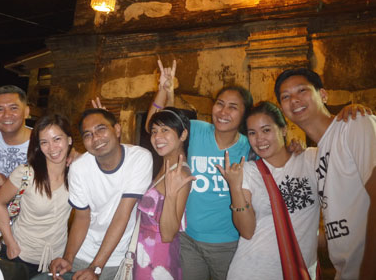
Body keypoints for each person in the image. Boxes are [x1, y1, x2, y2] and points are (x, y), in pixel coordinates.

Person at [147, 60, 253, 280]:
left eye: (233, 107)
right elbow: (157, 126)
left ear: (245, 114)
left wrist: (295, 149)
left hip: (229, 245)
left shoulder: (250, 147)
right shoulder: (196, 130)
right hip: (188, 241)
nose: (223, 111)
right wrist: (163, 92)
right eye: (220, 103)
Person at [274, 68, 376, 280]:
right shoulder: (315, 155)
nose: (294, 99)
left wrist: (368, 270)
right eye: (285, 96)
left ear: (323, 95)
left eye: (302, 90)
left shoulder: (355, 124)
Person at [44, 108, 153, 280]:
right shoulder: (79, 168)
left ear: (117, 130)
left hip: (118, 256)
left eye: (101, 129)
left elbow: (122, 215)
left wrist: (96, 267)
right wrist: (68, 258)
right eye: (87, 135)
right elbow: (81, 218)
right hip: (84, 251)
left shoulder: (139, 159)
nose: (95, 139)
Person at [218, 101, 319, 279]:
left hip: (302, 270)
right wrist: (234, 187)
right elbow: (247, 231)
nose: (259, 139)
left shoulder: (310, 159)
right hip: (253, 272)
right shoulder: (249, 170)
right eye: (252, 133)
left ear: (283, 129)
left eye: (266, 130)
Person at [0, 114, 72, 278]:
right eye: (44, 142)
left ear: (69, 140)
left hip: (56, 259)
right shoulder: (26, 173)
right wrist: (10, 242)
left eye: (57, 139)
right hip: (21, 255)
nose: (52, 147)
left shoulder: (77, 173)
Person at [134, 107, 195, 279]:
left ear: (183, 135)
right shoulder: (165, 165)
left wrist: (171, 194)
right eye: (154, 131)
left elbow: (168, 234)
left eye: (165, 130)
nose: (157, 137)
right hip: (144, 254)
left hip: (158, 259)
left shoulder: (181, 175)